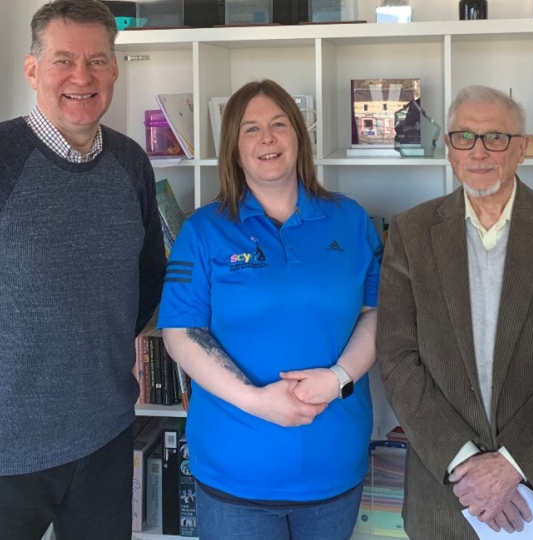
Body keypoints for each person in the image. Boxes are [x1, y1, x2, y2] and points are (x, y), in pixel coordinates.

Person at [0, 1, 165, 539]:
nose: (81, 77)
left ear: (114, 69)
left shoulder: (131, 164)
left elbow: (146, 279)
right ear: (32, 69)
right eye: (63, 60)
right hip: (1, 447)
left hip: (104, 435)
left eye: (97, 60)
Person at [376, 85, 533, 539]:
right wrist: (467, 462)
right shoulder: (411, 234)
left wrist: (513, 464)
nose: (479, 151)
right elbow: (396, 359)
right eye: (464, 137)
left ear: (521, 148)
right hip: (450, 489)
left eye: (496, 137)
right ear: (448, 148)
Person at [159, 79, 382, 540]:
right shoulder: (203, 232)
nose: (267, 139)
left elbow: (375, 314)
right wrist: (257, 402)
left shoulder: (351, 219)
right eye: (251, 129)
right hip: (234, 473)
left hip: (333, 466)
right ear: (233, 150)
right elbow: (180, 332)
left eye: (279, 125)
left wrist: (338, 378)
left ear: (299, 137)